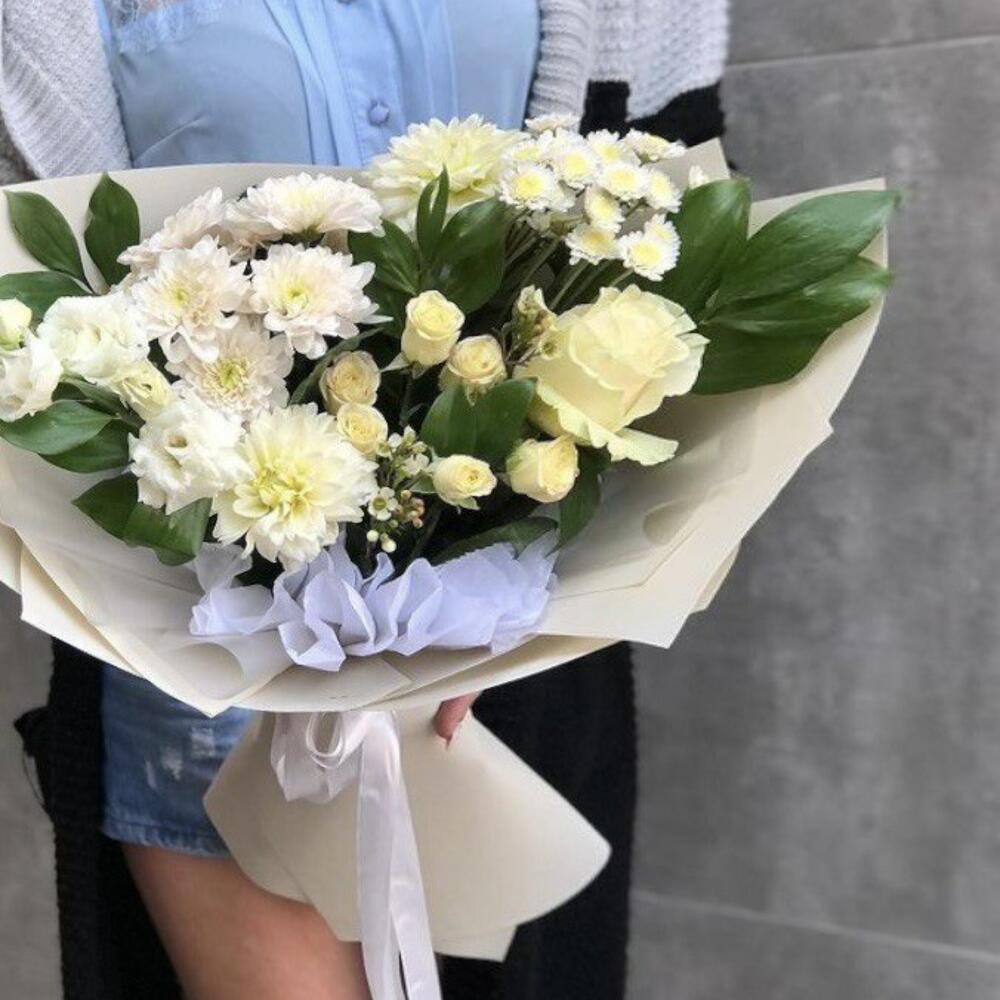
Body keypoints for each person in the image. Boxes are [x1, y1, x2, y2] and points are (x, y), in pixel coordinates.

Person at [1, 1, 729, 997]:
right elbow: (32, 302)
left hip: (512, 626)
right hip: (201, 642)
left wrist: (519, 573)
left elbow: (672, 236)